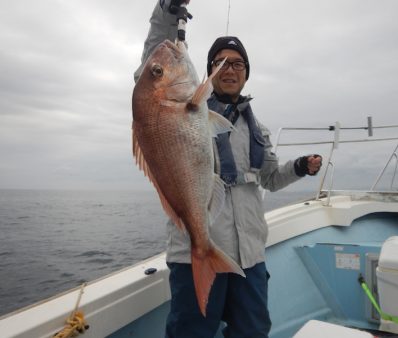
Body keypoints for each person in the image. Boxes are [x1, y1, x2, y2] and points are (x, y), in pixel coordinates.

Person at [134, 1, 323, 337]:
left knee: (251, 332)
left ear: (246, 72)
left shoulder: (257, 129)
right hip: (193, 251)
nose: (230, 69)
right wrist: (168, 11)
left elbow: (270, 179)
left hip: (249, 259)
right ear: (208, 72)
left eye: (238, 64)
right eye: (221, 63)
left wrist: (299, 168)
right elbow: (151, 67)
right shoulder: (188, 106)